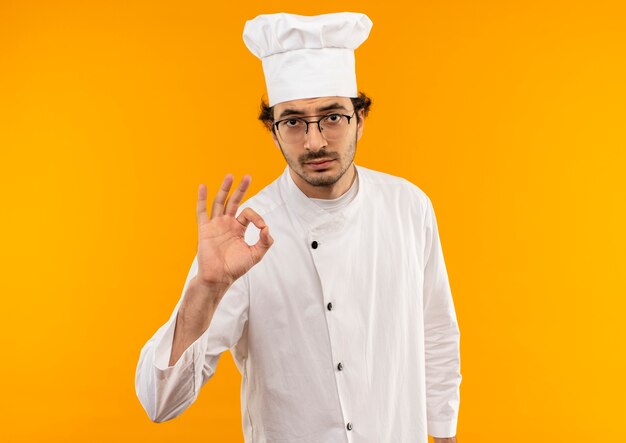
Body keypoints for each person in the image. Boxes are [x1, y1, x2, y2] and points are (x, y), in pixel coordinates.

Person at [135, 12, 461, 443]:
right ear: (273, 130)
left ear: (360, 118)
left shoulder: (409, 207)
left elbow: (436, 334)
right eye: (293, 121)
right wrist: (206, 287)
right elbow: (160, 404)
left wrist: (445, 434)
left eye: (332, 117)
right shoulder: (245, 232)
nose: (315, 142)